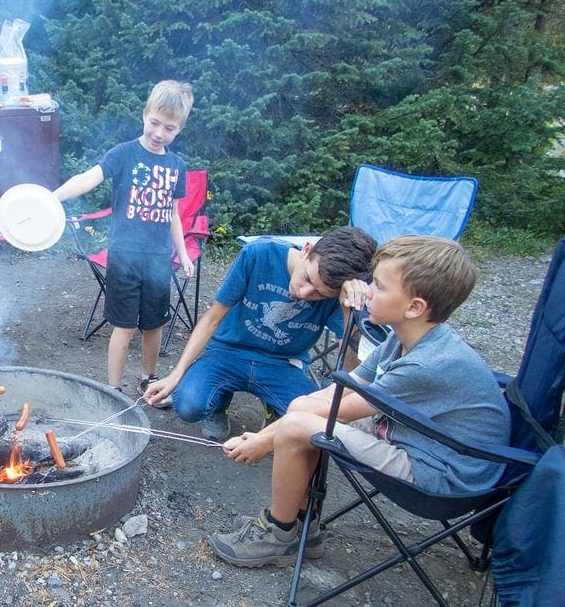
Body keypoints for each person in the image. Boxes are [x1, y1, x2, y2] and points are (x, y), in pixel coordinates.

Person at [208, 235, 512, 568]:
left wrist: (264, 441)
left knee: (299, 425)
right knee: (300, 409)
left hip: (443, 477)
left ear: (414, 307)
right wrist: (274, 431)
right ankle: (303, 527)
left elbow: (338, 410)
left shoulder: (427, 364)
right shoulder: (402, 338)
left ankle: (278, 533)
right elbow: (342, 389)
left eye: (378, 287)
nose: (366, 291)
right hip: (419, 439)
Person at [144, 227, 377, 438]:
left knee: (312, 424)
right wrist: (176, 374)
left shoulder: (337, 293)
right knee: (188, 405)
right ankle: (218, 404)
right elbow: (212, 318)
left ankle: (273, 408)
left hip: (284, 362)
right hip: (228, 351)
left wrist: (349, 312)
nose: (304, 293)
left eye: (319, 294)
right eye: (307, 279)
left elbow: (349, 373)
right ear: (307, 250)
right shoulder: (259, 254)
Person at [55, 80, 195, 405]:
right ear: (145, 115)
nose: (159, 132)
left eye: (169, 128)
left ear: (180, 129)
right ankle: (113, 391)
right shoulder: (124, 154)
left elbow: (173, 214)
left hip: (158, 259)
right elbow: (89, 178)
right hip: (124, 256)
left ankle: (148, 380)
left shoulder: (176, 167)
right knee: (124, 326)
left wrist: (184, 253)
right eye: (155, 123)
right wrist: (52, 198)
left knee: (154, 324)